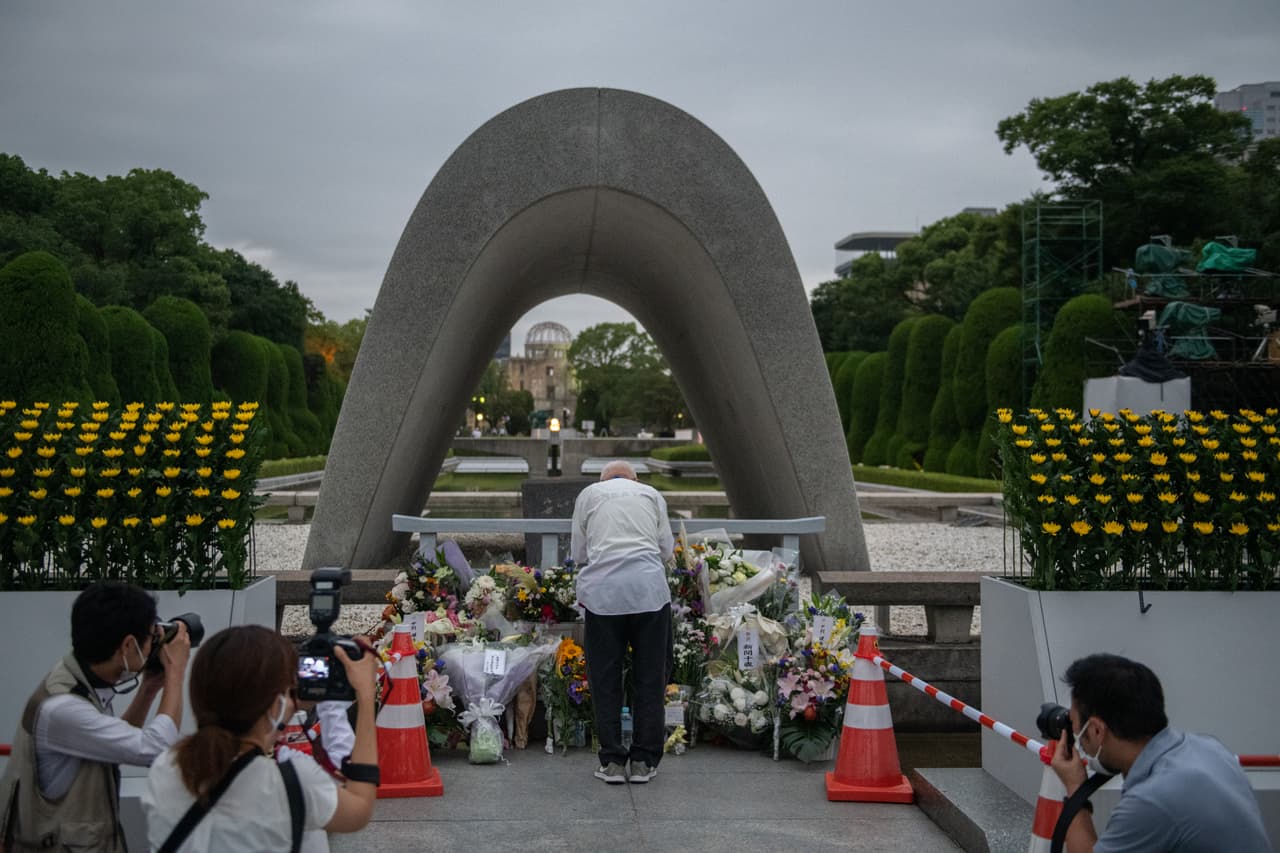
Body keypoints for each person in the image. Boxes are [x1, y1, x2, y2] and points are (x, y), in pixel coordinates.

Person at [141, 625, 379, 852]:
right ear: (275, 704)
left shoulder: (165, 766)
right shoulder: (290, 781)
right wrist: (366, 695)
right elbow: (359, 807)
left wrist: (283, 703)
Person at [0, 581, 191, 852]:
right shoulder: (63, 707)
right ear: (127, 645)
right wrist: (176, 671)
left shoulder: (77, 678)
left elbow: (113, 742)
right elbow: (155, 748)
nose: (153, 646)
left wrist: (149, 688)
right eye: (151, 636)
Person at [1049, 653, 1271, 852]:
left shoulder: (1152, 800)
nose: (1079, 741)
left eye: (1078, 730)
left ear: (1097, 730)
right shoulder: (1210, 749)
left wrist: (1075, 787)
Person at [571, 459, 674, 784]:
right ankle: (644, 761)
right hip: (649, 593)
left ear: (603, 479)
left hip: (604, 595)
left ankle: (613, 761)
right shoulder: (651, 495)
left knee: (605, 677)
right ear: (635, 479)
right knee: (650, 675)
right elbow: (666, 550)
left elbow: (579, 552)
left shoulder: (589, 494)